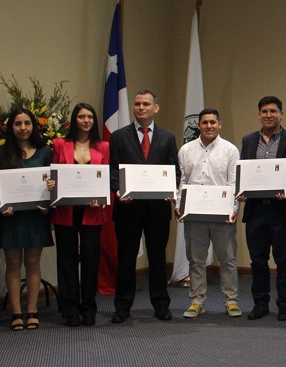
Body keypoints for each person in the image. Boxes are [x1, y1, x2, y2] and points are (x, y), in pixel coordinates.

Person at [108, 89, 180, 323]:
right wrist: (118, 190)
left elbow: (174, 171)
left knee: (158, 257)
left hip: (158, 208)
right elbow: (112, 170)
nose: (141, 108)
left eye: (146, 104)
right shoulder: (119, 136)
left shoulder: (167, 137)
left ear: (155, 108)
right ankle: (122, 307)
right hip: (128, 208)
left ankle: (161, 305)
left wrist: (171, 190)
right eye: (137, 104)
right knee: (126, 257)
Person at [0, 108, 53, 330]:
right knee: (14, 264)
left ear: (34, 125)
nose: (23, 128)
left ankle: (32, 310)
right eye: (18, 124)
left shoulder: (45, 152)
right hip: (11, 218)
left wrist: (49, 196)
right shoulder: (1, 154)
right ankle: (16, 312)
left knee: (33, 264)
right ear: (11, 127)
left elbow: (52, 184)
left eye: (27, 123)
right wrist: (1, 207)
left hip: (36, 216)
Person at [177, 108, 241, 318]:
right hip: (194, 214)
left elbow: (234, 183)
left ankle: (230, 301)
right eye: (204, 122)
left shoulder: (230, 150)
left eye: (213, 122)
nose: (209, 126)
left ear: (219, 124)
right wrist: (179, 205)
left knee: (228, 259)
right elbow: (182, 182)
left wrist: (234, 209)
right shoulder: (186, 150)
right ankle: (196, 301)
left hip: (222, 215)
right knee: (196, 259)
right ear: (199, 125)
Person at [49, 103, 109, 327]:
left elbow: (105, 178)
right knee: (66, 259)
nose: (86, 121)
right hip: (66, 210)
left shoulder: (103, 146)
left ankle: (89, 308)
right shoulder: (59, 144)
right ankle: (70, 309)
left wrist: (101, 196)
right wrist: (51, 183)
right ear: (74, 119)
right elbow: (52, 172)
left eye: (90, 117)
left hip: (92, 211)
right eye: (81, 116)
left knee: (91, 258)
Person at [239, 96, 286, 321]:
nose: (269, 115)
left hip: (281, 210)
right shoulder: (248, 140)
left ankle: (285, 303)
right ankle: (260, 303)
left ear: (282, 114)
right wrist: (242, 189)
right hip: (255, 210)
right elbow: (244, 171)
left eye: (273, 111)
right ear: (259, 115)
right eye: (264, 111)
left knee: (283, 259)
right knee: (258, 260)